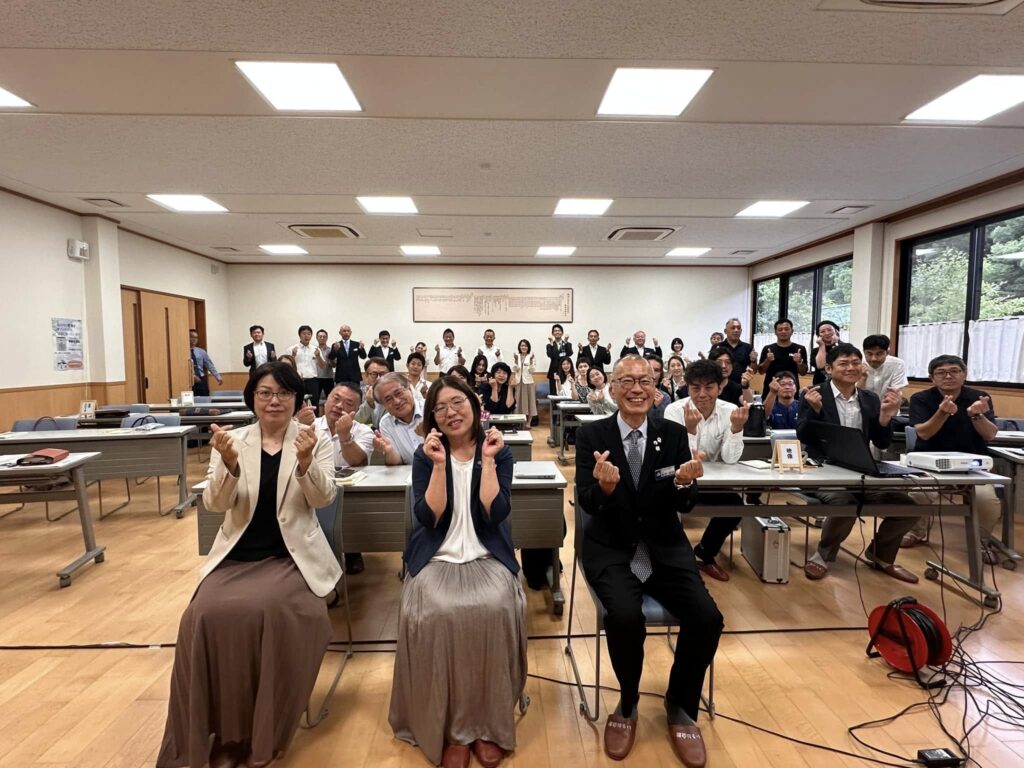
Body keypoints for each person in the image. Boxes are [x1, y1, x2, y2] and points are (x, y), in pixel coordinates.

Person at [156, 361, 339, 768]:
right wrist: (230, 465)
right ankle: (218, 732)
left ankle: (258, 731)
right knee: (201, 615)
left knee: (266, 610)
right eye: (265, 393)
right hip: (237, 557)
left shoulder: (313, 439)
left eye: (284, 393)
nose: (275, 401)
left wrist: (305, 462)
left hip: (290, 558)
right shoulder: (232, 440)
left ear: (297, 399)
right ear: (252, 398)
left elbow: (323, 498)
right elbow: (215, 504)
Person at [575, 356, 721, 766]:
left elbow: (683, 503)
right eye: (627, 381)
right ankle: (627, 703)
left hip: (664, 548)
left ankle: (681, 704)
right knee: (624, 616)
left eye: (644, 381)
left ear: (656, 389)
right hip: (612, 548)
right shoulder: (591, 435)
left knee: (707, 618)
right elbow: (586, 500)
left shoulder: (671, 434)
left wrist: (684, 483)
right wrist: (604, 489)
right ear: (612, 388)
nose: (636, 389)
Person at [389, 376, 525, 768]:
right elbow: (429, 518)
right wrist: (437, 465)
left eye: (458, 403)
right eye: (440, 408)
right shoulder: (425, 454)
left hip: (486, 554)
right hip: (437, 555)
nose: (451, 413)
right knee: (438, 612)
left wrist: (488, 460)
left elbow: (494, 513)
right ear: (432, 417)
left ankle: (488, 723)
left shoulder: (498, 451)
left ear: (474, 405)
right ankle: (451, 727)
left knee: (495, 608)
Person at [797, 343, 917, 583]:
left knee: (908, 507)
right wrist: (815, 410)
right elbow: (804, 437)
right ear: (829, 368)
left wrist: (886, 417)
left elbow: (881, 442)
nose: (850, 368)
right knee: (845, 501)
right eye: (843, 363)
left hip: (861, 471)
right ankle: (823, 555)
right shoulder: (814, 394)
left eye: (855, 363)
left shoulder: (870, 399)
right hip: (820, 472)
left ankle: (881, 555)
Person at [903, 355, 1000, 554]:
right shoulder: (921, 398)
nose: (948, 376)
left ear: (964, 374)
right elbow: (924, 433)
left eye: (954, 371)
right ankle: (916, 532)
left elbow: (990, 435)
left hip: (971, 467)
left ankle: (981, 542)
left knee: (986, 500)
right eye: (941, 373)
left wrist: (977, 415)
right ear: (932, 378)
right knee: (918, 493)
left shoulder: (979, 397)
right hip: (929, 464)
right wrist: (943, 412)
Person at [664, 360, 748, 582]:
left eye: (709, 387)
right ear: (687, 388)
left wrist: (736, 428)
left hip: (713, 481)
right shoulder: (674, 411)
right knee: (666, 508)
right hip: (680, 482)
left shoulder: (730, 411)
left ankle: (704, 553)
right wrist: (690, 430)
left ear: (720, 387)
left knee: (735, 506)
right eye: (695, 388)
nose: (702, 394)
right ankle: (675, 560)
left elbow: (730, 459)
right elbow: (677, 459)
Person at [314, 381, 374, 575]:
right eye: (336, 399)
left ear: (356, 410)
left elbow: (357, 461)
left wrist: (345, 436)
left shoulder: (363, 431)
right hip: (314, 489)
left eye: (348, 403)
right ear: (326, 400)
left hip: (349, 495)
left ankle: (352, 549)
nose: (339, 406)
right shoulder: (310, 426)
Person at [373, 373, 426, 466]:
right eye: (388, 399)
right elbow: (396, 463)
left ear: (410, 389)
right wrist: (389, 451)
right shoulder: (386, 423)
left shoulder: (429, 409)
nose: (397, 401)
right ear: (383, 406)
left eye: (398, 393)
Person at [756, 318, 807, 394]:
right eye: (780, 329)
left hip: (791, 389)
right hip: (771, 389)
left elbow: (803, 373)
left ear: (792, 331)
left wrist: (799, 362)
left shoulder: (800, 349)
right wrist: (768, 360)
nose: (783, 331)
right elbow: (761, 371)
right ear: (775, 332)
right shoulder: (767, 349)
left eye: (786, 329)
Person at [860, 334, 909, 399]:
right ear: (864, 352)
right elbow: (855, 394)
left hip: (888, 404)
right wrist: (862, 379)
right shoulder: (859, 365)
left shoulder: (898, 364)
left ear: (887, 352)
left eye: (879, 354)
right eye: (869, 354)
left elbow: (895, 393)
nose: (873, 359)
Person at [711, 318, 755, 385]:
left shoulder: (748, 347)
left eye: (738, 328)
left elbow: (753, 370)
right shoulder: (717, 347)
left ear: (741, 331)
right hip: (721, 385)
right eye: (733, 328)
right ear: (725, 331)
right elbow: (711, 367)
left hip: (741, 385)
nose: (736, 330)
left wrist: (754, 361)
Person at [354, 357, 392, 429]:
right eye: (374, 374)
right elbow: (356, 422)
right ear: (366, 376)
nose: (378, 378)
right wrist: (368, 403)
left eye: (382, 374)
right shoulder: (358, 395)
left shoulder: (395, 394)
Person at [289, 325, 321, 412]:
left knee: (315, 404)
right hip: (297, 380)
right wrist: (293, 355)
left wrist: (318, 356)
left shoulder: (316, 349)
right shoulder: (292, 349)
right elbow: (287, 365)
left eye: (308, 334)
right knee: (297, 403)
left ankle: (315, 420)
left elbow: (322, 365)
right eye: (304, 333)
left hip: (312, 381)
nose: (306, 336)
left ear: (311, 335)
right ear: (299, 335)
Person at [512, 339, 538, 427]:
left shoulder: (531, 356)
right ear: (519, 347)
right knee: (518, 402)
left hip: (528, 382)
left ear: (528, 347)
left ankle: (529, 422)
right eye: (522, 345)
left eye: (525, 346)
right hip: (518, 382)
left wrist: (530, 361)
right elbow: (514, 369)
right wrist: (516, 360)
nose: (524, 347)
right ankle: (518, 422)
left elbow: (532, 371)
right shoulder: (517, 355)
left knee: (530, 402)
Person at [189, 329, 222, 397]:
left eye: (196, 337)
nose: (194, 339)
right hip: (189, 381)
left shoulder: (201, 351)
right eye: (192, 337)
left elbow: (209, 365)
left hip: (201, 380)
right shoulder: (183, 351)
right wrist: (192, 376)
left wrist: (217, 376)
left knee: (205, 399)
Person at [810, 320, 841, 386]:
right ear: (818, 335)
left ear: (836, 332)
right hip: (820, 385)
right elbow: (821, 366)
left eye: (829, 330)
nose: (827, 333)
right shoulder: (815, 351)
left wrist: (835, 344)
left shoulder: (846, 347)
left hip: (840, 384)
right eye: (822, 331)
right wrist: (822, 345)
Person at [545, 323, 573, 395]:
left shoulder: (568, 344)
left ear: (562, 333)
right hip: (553, 372)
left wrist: (566, 342)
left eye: (559, 330)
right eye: (555, 331)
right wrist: (551, 343)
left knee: (565, 392)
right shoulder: (549, 345)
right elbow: (550, 355)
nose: (557, 332)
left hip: (564, 371)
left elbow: (570, 353)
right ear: (552, 333)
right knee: (553, 393)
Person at [313, 329, 334, 404]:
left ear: (327, 338)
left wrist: (331, 359)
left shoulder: (331, 351)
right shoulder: (313, 350)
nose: (322, 338)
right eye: (320, 336)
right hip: (316, 378)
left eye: (324, 336)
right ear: (317, 338)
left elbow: (334, 365)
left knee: (331, 400)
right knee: (315, 400)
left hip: (328, 378)